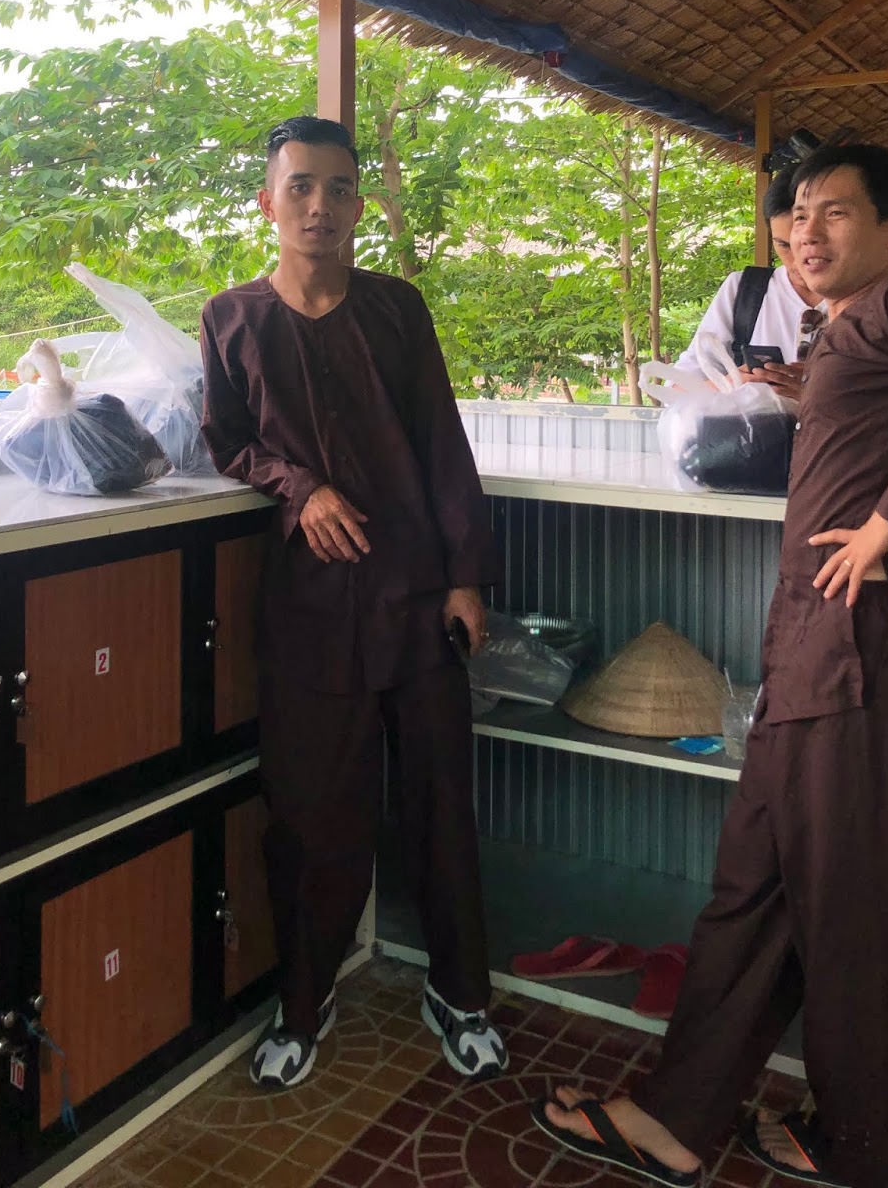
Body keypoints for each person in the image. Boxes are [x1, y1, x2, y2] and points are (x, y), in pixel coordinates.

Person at [534, 143, 888, 1188]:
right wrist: (819, 388)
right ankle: (679, 1117)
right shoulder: (854, 328)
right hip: (816, 654)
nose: (807, 232)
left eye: (836, 212)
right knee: (753, 892)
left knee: (854, 910)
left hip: (862, 662)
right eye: (798, 213)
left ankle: (863, 1146)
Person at [199, 116, 507, 1089]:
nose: (319, 206)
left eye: (338, 188)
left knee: (440, 806)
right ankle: (305, 1000)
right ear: (268, 201)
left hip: (415, 598)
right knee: (312, 817)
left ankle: (460, 993)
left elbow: (442, 444)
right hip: (312, 610)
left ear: (360, 205)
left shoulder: (396, 309)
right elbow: (229, 442)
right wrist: (301, 488)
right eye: (300, 186)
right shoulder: (230, 318)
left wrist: (466, 576)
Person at [674, 167, 826, 400]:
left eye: (810, 243)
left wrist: (816, 396)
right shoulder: (745, 292)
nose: (799, 259)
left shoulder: (874, 300)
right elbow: (676, 390)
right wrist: (731, 384)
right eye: (784, 245)